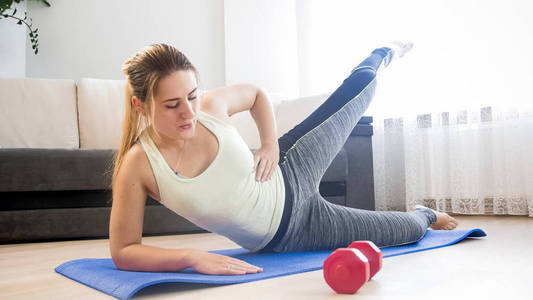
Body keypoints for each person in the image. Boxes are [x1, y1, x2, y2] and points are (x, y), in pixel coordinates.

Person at [109, 42, 458, 276]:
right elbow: (124, 250)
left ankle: (385, 51)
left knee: (363, 86)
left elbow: (257, 95)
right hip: (293, 235)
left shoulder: (212, 107)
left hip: (292, 165)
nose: (189, 112)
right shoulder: (138, 165)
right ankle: (426, 213)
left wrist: (269, 146)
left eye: (192, 96)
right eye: (172, 105)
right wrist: (190, 258)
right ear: (141, 105)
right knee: (411, 229)